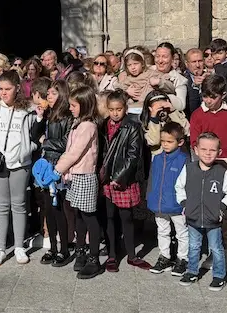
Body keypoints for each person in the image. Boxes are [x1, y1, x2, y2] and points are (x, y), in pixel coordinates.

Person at [0, 70, 38, 267]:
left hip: (20, 162)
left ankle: (19, 246)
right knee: (0, 206)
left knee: (19, 204)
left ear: (17, 88)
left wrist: (28, 149)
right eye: (0, 89)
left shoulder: (28, 109)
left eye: (7, 89)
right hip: (0, 161)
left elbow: (36, 135)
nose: (3, 93)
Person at [176, 132, 227, 291]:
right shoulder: (188, 169)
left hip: (214, 219)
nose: (208, 153)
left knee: (216, 248)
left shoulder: (221, 172)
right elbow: (179, 187)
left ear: (219, 152)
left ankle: (219, 275)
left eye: (212, 150)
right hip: (193, 217)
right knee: (194, 246)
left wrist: (222, 208)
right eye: (204, 149)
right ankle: (191, 272)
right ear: (195, 150)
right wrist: (184, 203)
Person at [53, 85, 101, 279]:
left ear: (85, 104)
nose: (70, 108)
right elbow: (68, 149)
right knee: (79, 215)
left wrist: (57, 169)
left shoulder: (88, 126)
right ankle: (80, 249)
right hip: (74, 176)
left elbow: (75, 153)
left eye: (74, 105)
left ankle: (94, 257)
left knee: (89, 216)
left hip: (85, 176)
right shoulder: (77, 123)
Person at [99, 90, 148, 271]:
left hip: (123, 180)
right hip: (107, 179)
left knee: (126, 217)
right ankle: (112, 254)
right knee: (109, 216)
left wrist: (119, 176)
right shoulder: (103, 125)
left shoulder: (132, 127)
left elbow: (133, 155)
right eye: (112, 109)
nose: (115, 113)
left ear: (125, 108)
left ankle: (131, 254)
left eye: (119, 109)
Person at [31, 78, 73, 266]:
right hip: (46, 165)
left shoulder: (67, 116)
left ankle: (64, 248)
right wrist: (39, 118)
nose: (48, 96)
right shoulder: (48, 114)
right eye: (48, 93)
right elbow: (34, 135)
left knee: (59, 210)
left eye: (53, 93)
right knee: (48, 209)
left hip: (58, 167)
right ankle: (53, 248)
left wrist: (45, 142)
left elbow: (66, 142)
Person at [147, 121, 190, 276]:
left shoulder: (184, 160)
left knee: (181, 232)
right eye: (163, 141)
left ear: (180, 142)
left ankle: (182, 259)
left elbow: (187, 183)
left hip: (177, 204)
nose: (165, 144)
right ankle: (164, 257)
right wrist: (150, 197)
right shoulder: (157, 158)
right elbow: (152, 180)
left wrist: (186, 202)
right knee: (162, 230)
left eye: (169, 141)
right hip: (159, 203)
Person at [189, 75, 227, 165]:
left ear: (223, 95)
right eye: (205, 96)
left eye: (213, 97)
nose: (208, 101)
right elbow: (194, 141)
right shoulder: (197, 115)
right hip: (206, 160)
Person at [151, 42, 189, 111]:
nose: (160, 60)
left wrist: (161, 97)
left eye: (164, 57)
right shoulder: (147, 72)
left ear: (172, 58)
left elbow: (181, 105)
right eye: (157, 56)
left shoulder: (179, 79)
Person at [184, 48, 206, 113]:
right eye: (194, 62)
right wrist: (195, 87)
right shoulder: (183, 80)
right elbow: (192, 108)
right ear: (186, 63)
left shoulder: (210, 77)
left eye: (200, 61)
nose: (197, 65)